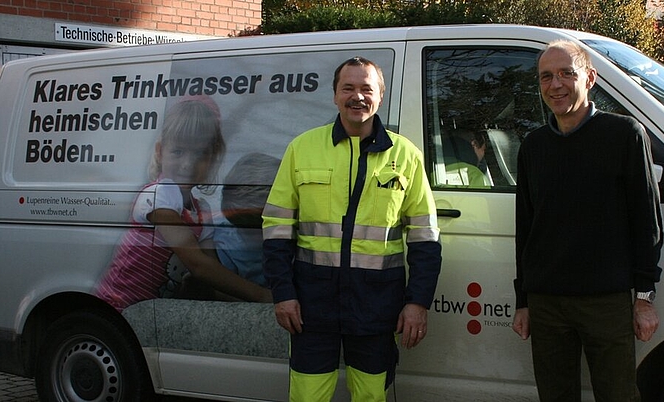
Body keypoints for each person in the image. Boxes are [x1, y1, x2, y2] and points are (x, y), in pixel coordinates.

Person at [262, 56, 442, 402]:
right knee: (307, 396)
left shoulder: (405, 156)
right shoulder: (302, 149)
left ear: (380, 96)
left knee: (371, 396)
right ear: (334, 95)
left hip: (376, 305)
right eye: (348, 88)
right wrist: (283, 293)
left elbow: (425, 237)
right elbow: (276, 228)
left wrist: (417, 302)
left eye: (366, 88)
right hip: (311, 306)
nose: (357, 96)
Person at [512, 40, 663, 401]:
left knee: (618, 395)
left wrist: (643, 297)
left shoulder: (625, 134)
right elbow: (526, 230)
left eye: (567, 73)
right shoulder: (533, 146)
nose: (556, 85)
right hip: (547, 303)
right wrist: (524, 300)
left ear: (590, 78)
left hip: (606, 302)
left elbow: (647, 222)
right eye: (546, 77)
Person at [97, 96, 272, 312]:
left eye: (200, 154)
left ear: (213, 159)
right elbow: (198, 265)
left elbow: (214, 274)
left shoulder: (201, 210)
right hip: (118, 307)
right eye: (178, 152)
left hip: (151, 314)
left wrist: (251, 307)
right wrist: (261, 295)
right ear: (161, 152)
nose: (188, 164)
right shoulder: (159, 195)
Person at [214, 152, 281, 287]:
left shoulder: (300, 233)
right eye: (253, 229)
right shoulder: (226, 246)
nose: (264, 234)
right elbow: (225, 290)